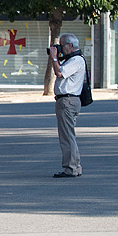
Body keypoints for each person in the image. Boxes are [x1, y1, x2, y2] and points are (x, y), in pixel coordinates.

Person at [50, 33, 86, 178]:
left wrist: (54, 57)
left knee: (66, 137)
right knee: (69, 135)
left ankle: (70, 168)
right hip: (67, 100)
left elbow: (59, 73)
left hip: (67, 101)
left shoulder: (76, 60)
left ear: (70, 46)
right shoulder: (72, 59)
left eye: (62, 45)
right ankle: (75, 166)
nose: (59, 48)